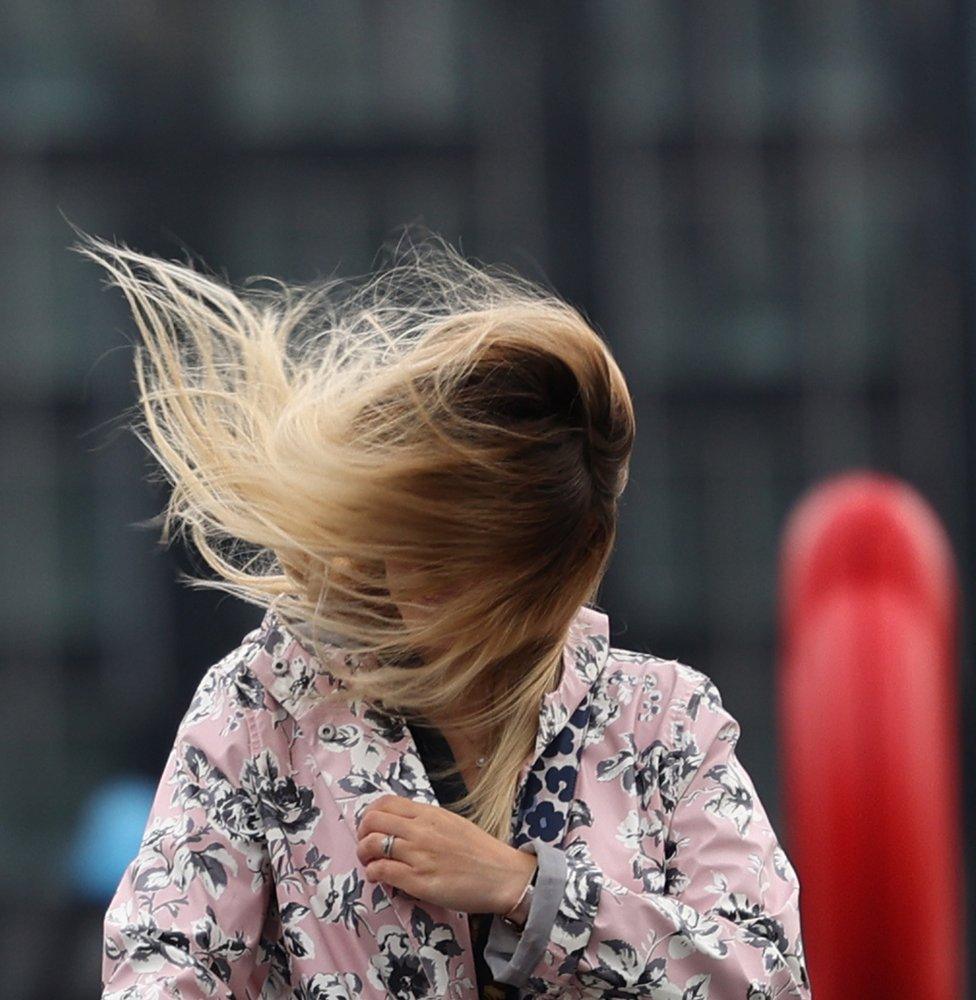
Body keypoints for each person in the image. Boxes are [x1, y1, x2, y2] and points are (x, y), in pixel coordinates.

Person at [78, 226, 811, 999]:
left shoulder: (665, 722)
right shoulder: (267, 705)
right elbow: (157, 970)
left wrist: (531, 892)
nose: (423, 579)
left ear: (558, 563)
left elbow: (768, 977)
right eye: (415, 536)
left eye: (468, 555)